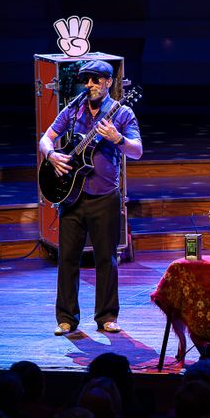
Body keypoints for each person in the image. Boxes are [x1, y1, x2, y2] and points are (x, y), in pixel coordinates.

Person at [39, 60, 142, 335]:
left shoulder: (122, 113)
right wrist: (51, 154)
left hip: (104, 197)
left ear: (108, 82)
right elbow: (45, 138)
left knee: (105, 259)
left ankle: (107, 317)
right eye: (87, 80)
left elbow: (137, 151)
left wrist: (118, 139)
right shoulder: (74, 109)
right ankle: (66, 319)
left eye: (96, 80)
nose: (90, 85)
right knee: (67, 259)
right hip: (72, 197)